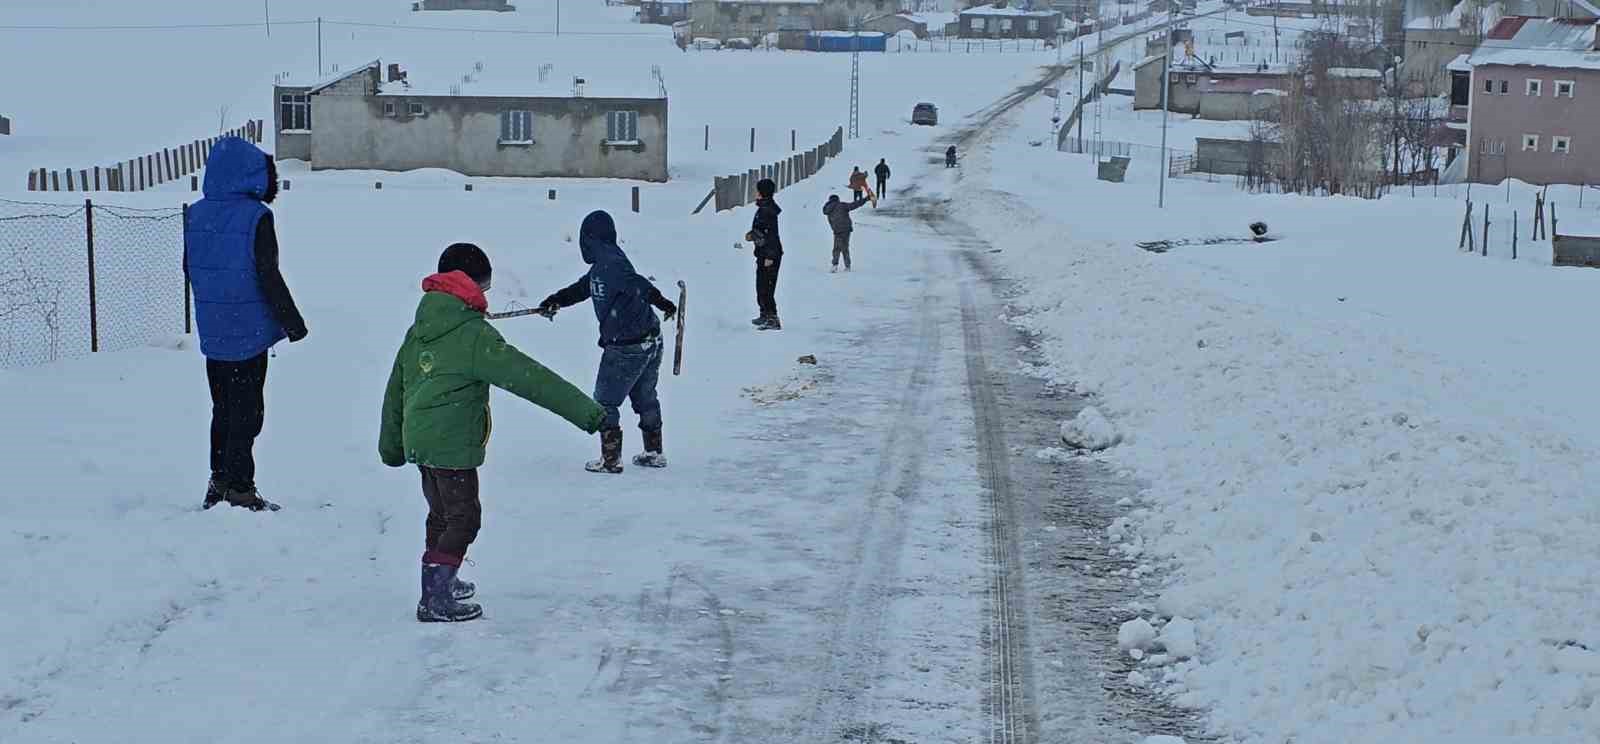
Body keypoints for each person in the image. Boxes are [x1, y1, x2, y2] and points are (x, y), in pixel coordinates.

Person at [380, 243, 605, 622]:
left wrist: (392, 446)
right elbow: (530, 377)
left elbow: (395, 389)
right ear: (469, 287)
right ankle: (435, 597)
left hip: (421, 439)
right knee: (464, 518)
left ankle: (440, 581)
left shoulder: (419, 330)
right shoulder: (474, 337)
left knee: (441, 514)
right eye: (483, 290)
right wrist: (589, 413)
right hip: (452, 444)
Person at [184, 136, 307, 513]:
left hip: (214, 327)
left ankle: (218, 481)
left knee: (222, 408)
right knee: (248, 413)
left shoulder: (196, 213)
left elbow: (189, 268)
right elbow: (267, 272)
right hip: (248, 331)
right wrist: (292, 322)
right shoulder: (256, 217)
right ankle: (239, 488)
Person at [537, 211, 678, 475]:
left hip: (627, 346)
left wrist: (662, 302)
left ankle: (611, 459)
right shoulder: (604, 265)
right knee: (645, 396)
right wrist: (555, 300)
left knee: (604, 401)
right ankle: (654, 452)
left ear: (590, 239)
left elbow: (637, 284)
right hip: (648, 340)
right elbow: (583, 288)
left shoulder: (612, 264)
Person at [744, 178, 783, 331]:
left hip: (770, 255)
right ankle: (764, 314)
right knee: (761, 286)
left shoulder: (768, 210)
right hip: (763, 253)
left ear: (762, 193)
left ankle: (772, 318)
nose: (755, 193)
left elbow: (771, 235)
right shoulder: (764, 208)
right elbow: (762, 231)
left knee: (767, 287)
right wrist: (752, 234)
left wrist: (770, 257)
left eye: (757, 190)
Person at [823, 194, 868, 272]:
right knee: (845, 248)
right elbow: (854, 205)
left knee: (836, 248)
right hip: (846, 229)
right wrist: (865, 199)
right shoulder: (842, 205)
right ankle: (847, 266)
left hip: (837, 230)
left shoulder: (827, 209)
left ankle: (835, 265)